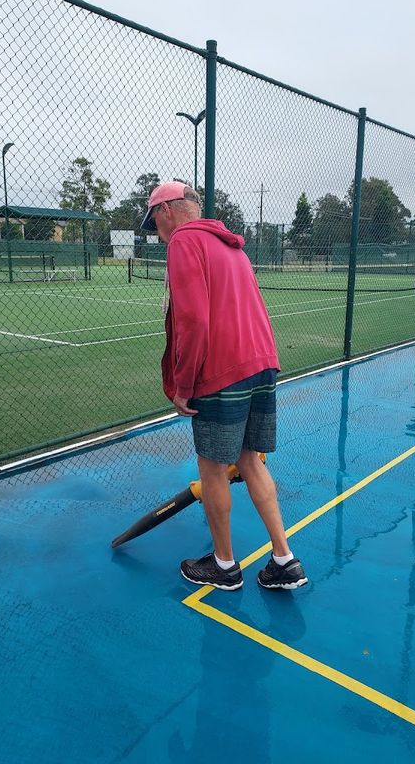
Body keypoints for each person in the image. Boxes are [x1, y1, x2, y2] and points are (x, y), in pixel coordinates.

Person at [141, 181, 307, 591]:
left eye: (153, 220)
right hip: (262, 363)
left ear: (167, 210)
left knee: (212, 468)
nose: (156, 231)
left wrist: (183, 385)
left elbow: (193, 321)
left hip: (221, 370)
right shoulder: (232, 245)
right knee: (250, 459)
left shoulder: (183, 242)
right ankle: (284, 560)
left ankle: (224, 566)